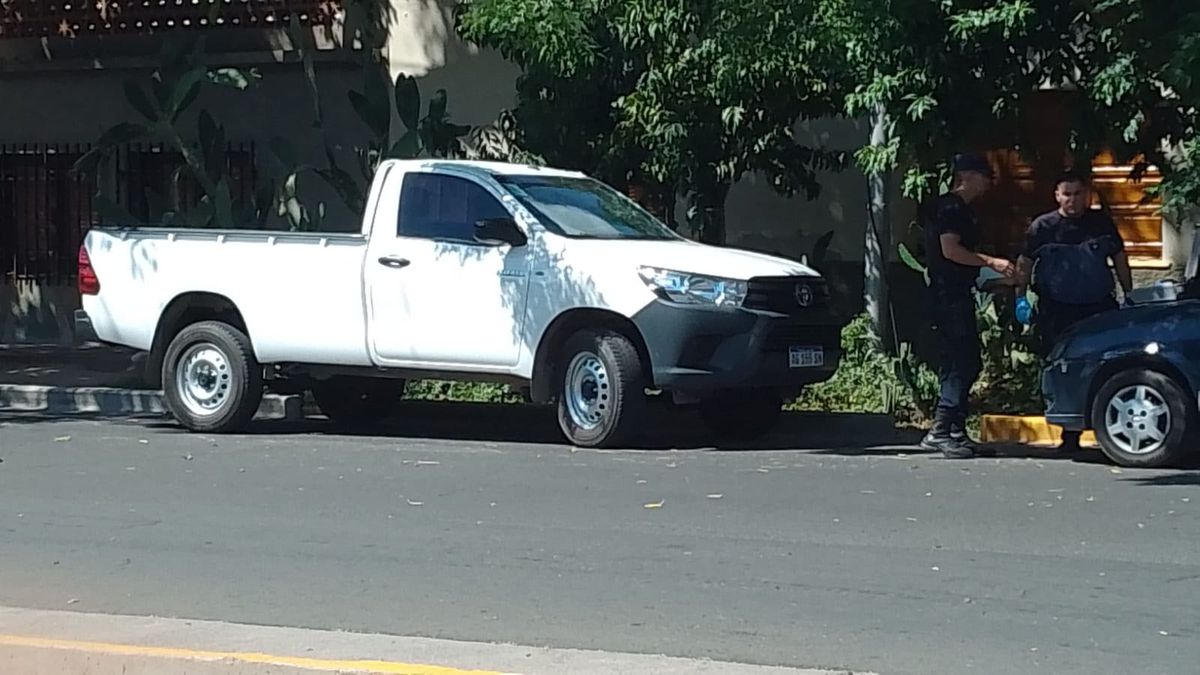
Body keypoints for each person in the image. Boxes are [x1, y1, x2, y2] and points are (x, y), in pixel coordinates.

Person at [1016, 170, 1134, 452]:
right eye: (1066, 194)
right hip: (1057, 311)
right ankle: (1069, 437)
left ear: (1087, 195)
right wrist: (1019, 298)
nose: (1072, 200)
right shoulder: (1042, 227)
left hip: (1098, 308)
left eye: (1078, 194)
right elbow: (1025, 262)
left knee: (1101, 365)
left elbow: (1119, 258)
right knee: (1063, 368)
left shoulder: (1100, 223)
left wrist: (1130, 294)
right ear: (1057, 196)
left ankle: (1099, 427)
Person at [920, 153, 1018, 458]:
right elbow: (950, 251)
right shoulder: (950, 207)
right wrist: (992, 262)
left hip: (959, 292)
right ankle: (940, 430)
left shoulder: (962, 209)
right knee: (963, 361)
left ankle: (956, 431)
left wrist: (992, 279)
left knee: (961, 361)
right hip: (947, 296)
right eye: (985, 175)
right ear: (968, 176)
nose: (989, 182)